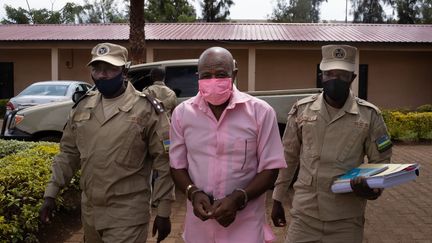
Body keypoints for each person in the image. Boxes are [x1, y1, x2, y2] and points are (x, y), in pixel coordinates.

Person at [39, 42, 174, 243]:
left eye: (110, 68)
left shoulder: (146, 109)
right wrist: (51, 193)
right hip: (90, 214)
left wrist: (164, 211)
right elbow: (68, 154)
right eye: (97, 68)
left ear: (124, 70)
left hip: (127, 214)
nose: (102, 75)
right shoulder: (82, 107)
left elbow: (165, 160)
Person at [271, 44, 393, 243]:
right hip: (305, 214)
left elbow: (380, 161)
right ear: (322, 76)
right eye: (330, 73)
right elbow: (288, 157)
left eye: (342, 75)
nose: (334, 79)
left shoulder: (370, 115)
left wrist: (373, 188)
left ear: (352, 78)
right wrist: (277, 198)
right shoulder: (302, 110)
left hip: (346, 218)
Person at [169, 46, 287, 243]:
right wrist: (193, 192)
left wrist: (238, 198)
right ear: (198, 77)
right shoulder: (182, 114)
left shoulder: (261, 112)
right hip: (200, 227)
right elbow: (177, 165)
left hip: (245, 226)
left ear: (235, 74)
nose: (213, 81)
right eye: (206, 75)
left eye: (221, 74)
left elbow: (271, 168)